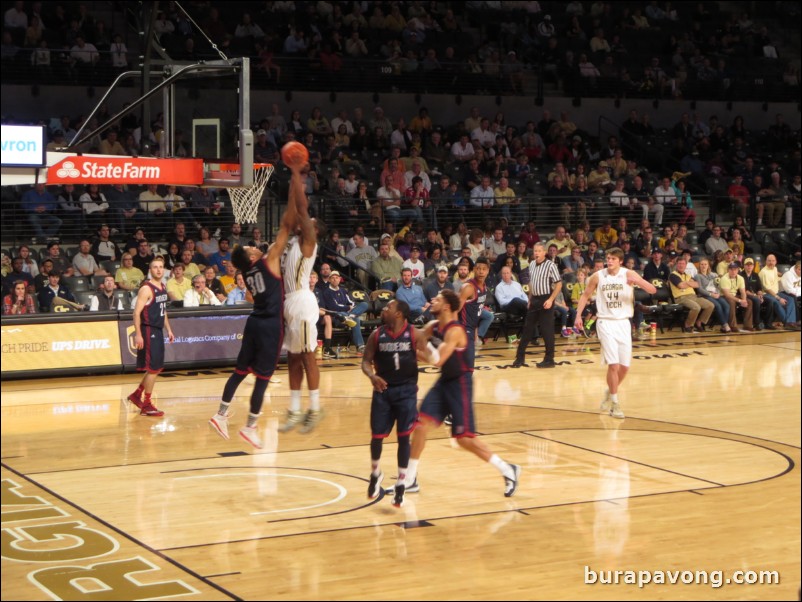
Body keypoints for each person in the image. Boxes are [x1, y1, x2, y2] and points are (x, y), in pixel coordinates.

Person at [394, 289, 521, 506]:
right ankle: (411, 478)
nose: (432, 301)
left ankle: (508, 469)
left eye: (437, 299)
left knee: (464, 439)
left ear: (445, 306)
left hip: (460, 384)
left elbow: (438, 359)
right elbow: (418, 339)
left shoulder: (455, 331)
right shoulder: (434, 326)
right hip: (445, 382)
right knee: (420, 425)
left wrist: (417, 351)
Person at [208, 197, 296, 448]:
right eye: (250, 248)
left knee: (240, 371)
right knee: (263, 377)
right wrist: (292, 207)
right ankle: (250, 427)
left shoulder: (245, 271)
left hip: (254, 321)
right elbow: (284, 232)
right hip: (269, 325)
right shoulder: (267, 262)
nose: (254, 247)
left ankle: (220, 414)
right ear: (252, 256)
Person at [574, 248, 656, 419]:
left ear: (620, 261)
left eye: (612, 258)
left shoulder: (629, 274)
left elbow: (652, 290)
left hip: (624, 323)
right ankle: (615, 403)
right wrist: (578, 316)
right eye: (608, 258)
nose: (609, 261)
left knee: (625, 367)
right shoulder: (598, 276)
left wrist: (638, 282)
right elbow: (585, 296)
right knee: (614, 364)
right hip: (605, 322)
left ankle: (610, 390)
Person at [279, 162, 325, 435]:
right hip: (290, 303)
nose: (307, 223)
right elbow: (295, 209)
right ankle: (295, 410)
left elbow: (303, 210)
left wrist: (298, 175)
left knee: (308, 358)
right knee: (293, 359)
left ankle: (315, 408)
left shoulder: (310, 241)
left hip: (304, 303)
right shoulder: (296, 240)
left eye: (311, 224)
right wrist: (291, 182)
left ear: (315, 231)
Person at [361, 299, 421, 503]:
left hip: (406, 391)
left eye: (388, 307)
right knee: (376, 436)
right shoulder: (376, 335)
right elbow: (366, 361)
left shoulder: (414, 333)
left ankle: (402, 482)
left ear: (399, 314)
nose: (383, 309)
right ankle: (376, 473)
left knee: (404, 437)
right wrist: (371, 376)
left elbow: (432, 354)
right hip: (383, 391)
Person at [126, 257, 174, 417]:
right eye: (155, 267)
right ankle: (146, 404)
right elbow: (136, 313)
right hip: (148, 330)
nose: (159, 270)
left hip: (158, 330)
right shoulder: (146, 289)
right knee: (153, 368)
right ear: (150, 270)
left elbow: (163, 310)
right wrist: (138, 334)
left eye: (161, 267)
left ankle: (136, 394)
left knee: (157, 367)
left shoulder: (163, 286)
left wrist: (169, 329)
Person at [513, 243, 562, 368]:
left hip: (546, 299)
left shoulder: (551, 265)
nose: (536, 253)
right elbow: (531, 283)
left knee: (547, 331)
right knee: (527, 329)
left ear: (544, 252)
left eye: (539, 251)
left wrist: (551, 299)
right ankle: (519, 358)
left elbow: (559, 284)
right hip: (534, 299)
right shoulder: (532, 264)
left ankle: (549, 359)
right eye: (535, 250)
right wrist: (530, 298)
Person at [668, 258, 714, 332]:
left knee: (710, 305)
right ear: (676, 265)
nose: (681, 265)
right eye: (679, 263)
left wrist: (686, 283)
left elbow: (697, 284)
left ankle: (699, 322)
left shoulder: (688, 275)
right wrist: (689, 283)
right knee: (696, 307)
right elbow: (681, 286)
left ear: (686, 265)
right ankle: (688, 325)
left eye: (683, 264)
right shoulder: (673, 275)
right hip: (681, 298)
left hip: (693, 296)